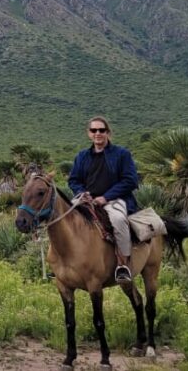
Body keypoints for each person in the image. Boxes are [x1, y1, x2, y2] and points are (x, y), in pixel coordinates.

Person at [67, 116, 140, 283]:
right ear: (89, 133)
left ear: (108, 132)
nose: (97, 133)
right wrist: (82, 193)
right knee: (64, 215)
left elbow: (130, 180)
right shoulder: (82, 156)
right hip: (86, 199)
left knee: (118, 219)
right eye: (94, 130)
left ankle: (123, 264)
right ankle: (62, 261)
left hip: (114, 200)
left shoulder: (122, 154)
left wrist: (106, 197)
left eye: (101, 130)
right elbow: (74, 180)